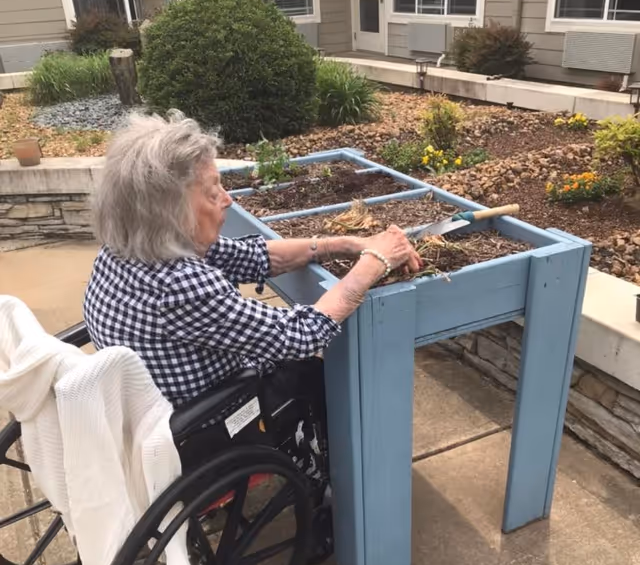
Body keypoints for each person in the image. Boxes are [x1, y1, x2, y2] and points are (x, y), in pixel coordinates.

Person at [84, 112, 421, 479]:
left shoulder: (130, 246)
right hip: (206, 430)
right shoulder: (181, 283)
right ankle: (332, 474)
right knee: (314, 374)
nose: (227, 199)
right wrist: (375, 262)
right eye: (212, 192)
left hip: (148, 413)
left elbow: (255, 256)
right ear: (170, 211)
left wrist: (348, 244)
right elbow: (302, 333)